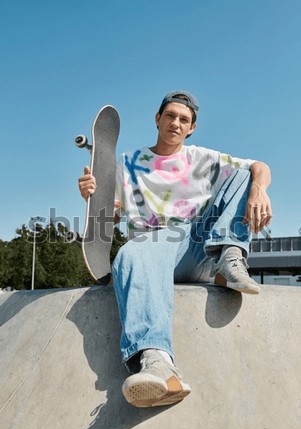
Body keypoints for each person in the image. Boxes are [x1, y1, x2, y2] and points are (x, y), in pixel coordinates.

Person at [78, 90, 272, 408]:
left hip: (201, 245)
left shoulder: (202, 159)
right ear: (157, 119)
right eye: (170, 116)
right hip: (153, 250)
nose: (176, 123)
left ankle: (231, 257)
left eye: (184, 119)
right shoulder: (129, 164)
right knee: (130, 252)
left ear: (191, 127)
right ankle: (159, 366)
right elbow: (109, 215)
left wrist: (259, 190)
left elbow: (260, 166)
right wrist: (92, 197)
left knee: (244, 174)